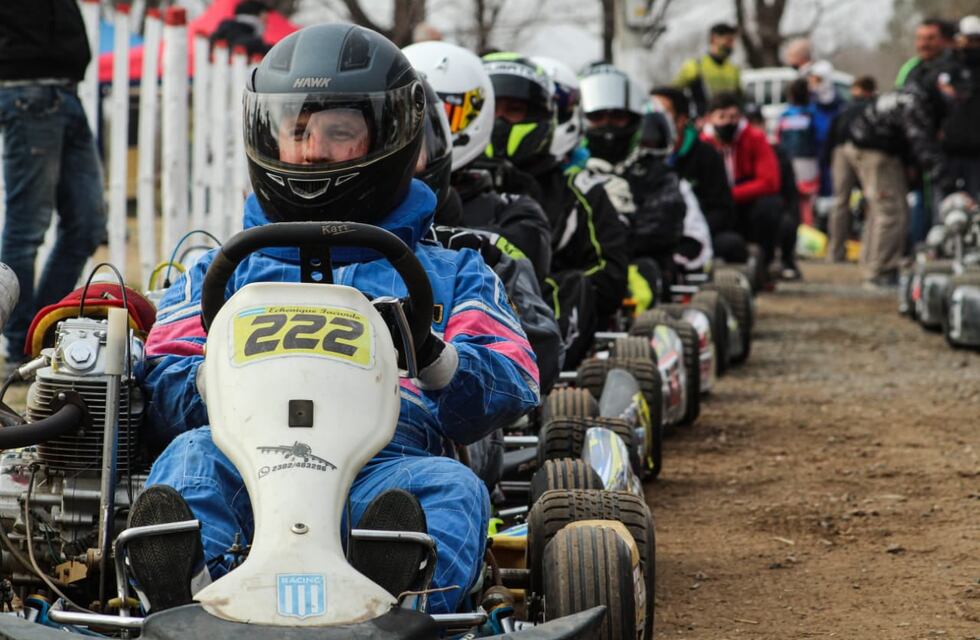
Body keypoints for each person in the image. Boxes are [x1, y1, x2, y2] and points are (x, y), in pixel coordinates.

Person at [130, 24, 539, 615]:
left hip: (388, 459)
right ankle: (190, 601)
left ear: (392, 137)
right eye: (298, 132)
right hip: (244, 456)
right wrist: (212, 378)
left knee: (450, 492)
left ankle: (399, 605)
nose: (314, 152)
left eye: (339, 133)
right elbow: (163, 375)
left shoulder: (452, 273)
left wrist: (433, 357)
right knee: (192, 459)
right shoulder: (224, 273)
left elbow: (513, 379)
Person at [481, 53, 629, 367]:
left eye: (515, 111)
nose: (502, 122)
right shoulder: (452, 185)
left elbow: (611, 277)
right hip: (467, 315)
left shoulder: (580, 190)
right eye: (495, 111)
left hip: (545, 317)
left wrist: (531, 287)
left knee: (576, 284)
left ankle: (535, 368)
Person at [0, 1, 106, 373]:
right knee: (28, 227)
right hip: (27, 91)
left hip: (63, 90)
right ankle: (22, 341)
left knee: (87, 225)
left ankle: (39, 329)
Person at [581, 65, 688, 304]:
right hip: (582, 266)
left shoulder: (653, 171)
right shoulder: (571, 171)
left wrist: (616, 228)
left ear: (634, 121)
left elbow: (663, 229)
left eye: (617, 117)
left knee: (645, 268)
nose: (607, 125)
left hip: (639, 264)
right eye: (598, 118)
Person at [844, 87, 951, 287]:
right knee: (891, 213)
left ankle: (872, 266)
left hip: (864, 146)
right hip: (877, 153)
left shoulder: (906, 96)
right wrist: (944, 177)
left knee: (878, 211)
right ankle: (881, 271)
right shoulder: (914, 105)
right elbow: (921, 142)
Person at [651, 87, 742, 264]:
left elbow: (722, 209)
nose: (653, 119)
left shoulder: (706, 155)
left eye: (661, 112)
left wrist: (689, 232)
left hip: (695, 234)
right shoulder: (637, 157)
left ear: (681, 120)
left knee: (732, 245)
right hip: (650, 237)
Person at [701, 92, 782, 274]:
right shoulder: (702, 144)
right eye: (722, 117)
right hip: (714, 207)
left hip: (745, 204)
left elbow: (770, 182)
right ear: (710, 118)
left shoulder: (754, 138)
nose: (728, 122)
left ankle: (766, 265)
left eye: (733, 117)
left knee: (770, 207)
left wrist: (732, 194)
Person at [824, 76, 876, 263]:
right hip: (866, 151)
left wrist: (827, 160)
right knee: (871, 200)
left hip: (841, 150)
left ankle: (835, 252)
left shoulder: (844, 108)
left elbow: (832, 136)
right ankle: (869, 253)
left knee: (840, 202)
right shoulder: (872, 107)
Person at [939, 15, 980, 199]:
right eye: (967, 39)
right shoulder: (947, 64)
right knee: (947, 205)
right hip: (949, 150)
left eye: (975, 40)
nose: (971, 44)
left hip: (976, 152)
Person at [673, 22, 743, 117]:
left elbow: (740, 99)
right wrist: (686, 116)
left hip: (729, 126)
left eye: (733, 41)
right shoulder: (695, 66)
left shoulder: (734, 69)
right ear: (714, 39)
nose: (731, 46)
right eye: (728, 40)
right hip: (702, 126)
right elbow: (674, 93)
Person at [895, 18, 956, 91]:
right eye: (919, 38)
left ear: (945, 40)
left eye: (930, 38)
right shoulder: (910, 67)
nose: (923, 44)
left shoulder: (958, 65)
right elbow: (899, 92)